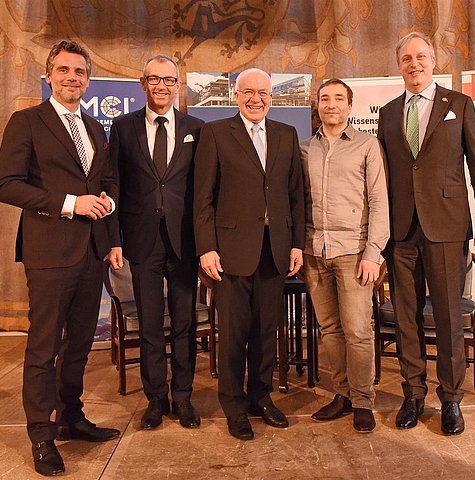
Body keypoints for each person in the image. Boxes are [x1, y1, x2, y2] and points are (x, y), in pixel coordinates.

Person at [0, 40, 120, 476]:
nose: (73, 78)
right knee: (43, 347)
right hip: (49, 252)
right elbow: (7, 184)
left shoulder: (93, 127)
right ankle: (41, 436)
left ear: (88, 80)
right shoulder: (26, 121)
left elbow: (100, 182)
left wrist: (105, 217)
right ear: (49, 76)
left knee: (81, 343)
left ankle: (72, 416)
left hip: (91, 254)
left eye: (80, 72)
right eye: (64, 70)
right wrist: (71, 202)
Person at [194, 68, 305, 440]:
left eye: (263, 93)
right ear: (235, 95)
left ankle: (262, 397)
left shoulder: (287, 135)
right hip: (230, 253)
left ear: (272, 97)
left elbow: (296, 197)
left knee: (266, 333)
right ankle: (234, 405)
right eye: (248, 92)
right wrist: (206, 247)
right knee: (234, 334)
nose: (256, 99)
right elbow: (203, 198)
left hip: (274, 251)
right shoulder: (215, 133)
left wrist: (296, 243)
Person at [378, 31, 475, 435]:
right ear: (399, 64)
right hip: (401, 231)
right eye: (406, 58)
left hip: (447, 226)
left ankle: (451, 399)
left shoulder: (458, 105)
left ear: (433, 61)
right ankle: (413, 394)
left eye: (421, 57)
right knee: (406, 318)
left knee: (449, 318)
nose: (414, 64)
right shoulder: (387, 113)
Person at [108, 55, 204, 430]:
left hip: (185, 244)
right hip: (142, 242)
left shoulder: (197, 128)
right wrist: (114, 239)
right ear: (142, 83)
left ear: (178, 84)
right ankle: (155, 399)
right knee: (149, 324)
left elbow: (202, 189)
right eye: (154, 79)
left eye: (169, 80)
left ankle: (183, 397)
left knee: (184, 323)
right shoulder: (123, 127)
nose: (161, 86)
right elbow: (114, 185)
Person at [301, 79, 389, 433]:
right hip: (313, 251)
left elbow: (379, 202)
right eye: (325, 98)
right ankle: (342, 395)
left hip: (354, 253)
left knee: (357, 330)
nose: (331, 104)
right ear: (317, 106)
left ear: (350, 106)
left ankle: (363, 399)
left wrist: (373, 252)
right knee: (330, 329)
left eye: (339, 98)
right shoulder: (304, 148)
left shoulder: (368, 146)